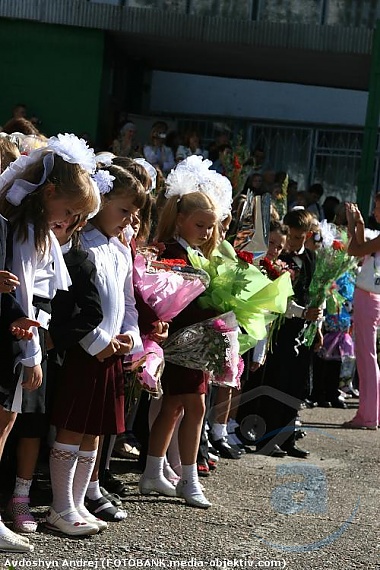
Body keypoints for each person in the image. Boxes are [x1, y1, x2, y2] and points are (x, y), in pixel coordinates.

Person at [0, 134, 99, 535]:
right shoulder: (22, 230)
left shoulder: (35, 230)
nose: (70, 222)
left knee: (6, 424)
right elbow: (24, 292)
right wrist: (32, 354)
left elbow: (40, 295)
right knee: (3, 423)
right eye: (70, 210)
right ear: (49, 191)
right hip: (15, 338)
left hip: (21, 336)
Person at [139, 162, 225, 509]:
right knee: (195, 405)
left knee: (174, 407)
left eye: (210, 227)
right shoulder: (170, 254)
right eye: (200, 225)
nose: (206, 232)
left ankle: (153, 470)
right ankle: (187, 478)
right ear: (180, 221)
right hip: (180, 341)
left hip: (195, 342)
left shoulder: (197, 254)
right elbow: (174, 300)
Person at [76, 162, 145, 521]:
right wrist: (99, 339)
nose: (129, 222)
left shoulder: (119, 249)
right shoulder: (80, 243)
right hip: (88, 350)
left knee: (102, 425)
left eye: (134, 215)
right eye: (123, 211)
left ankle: (90, 488)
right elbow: (75, 305)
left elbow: (128, 302)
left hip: (114, 351)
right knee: (77, 424)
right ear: (100, 200)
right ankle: (70, 497)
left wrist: (131, 337)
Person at [253, 209, 323, 457]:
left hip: (304, 329)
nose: (294, 243)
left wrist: (318, 327)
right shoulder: (281, 260)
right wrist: (302, 313)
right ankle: (267, 438)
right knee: (276, 382)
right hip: (282, 326)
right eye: (291, 237)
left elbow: (318, 293)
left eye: (299, 238)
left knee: (296, 384)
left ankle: (288, 437)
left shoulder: (312, 259)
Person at [343, 200, 380, 430]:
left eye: (378, 205)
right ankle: (368, 414)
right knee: (367, 358)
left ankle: (368, 416)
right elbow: (359, 248)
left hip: (369, 297)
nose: (375, 209)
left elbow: (354, 250)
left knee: (367, 358)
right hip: (369, 296)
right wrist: (356, 224)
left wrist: (358, 224)